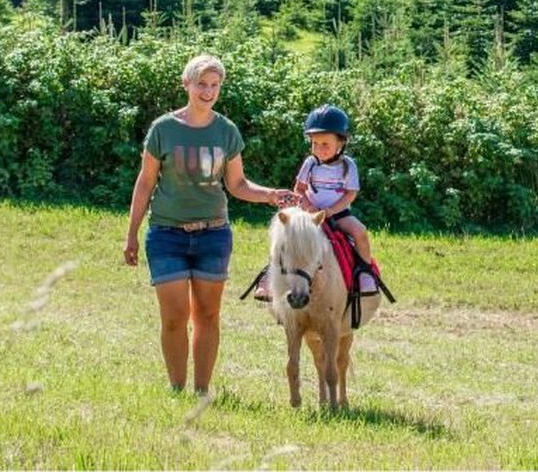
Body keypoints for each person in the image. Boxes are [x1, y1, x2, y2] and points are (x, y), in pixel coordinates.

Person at [123, 54, 297, 396]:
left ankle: (202, 390)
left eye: (215, 85)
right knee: (174, 318)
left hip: (213, 235)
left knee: (207, 315)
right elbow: (145, 183)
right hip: (166, 234)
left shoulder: (226, 131)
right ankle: (176, 389)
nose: (208, 91)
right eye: (201, 83)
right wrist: (131, 234)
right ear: (186, 84)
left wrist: (271, 195)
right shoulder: (163, 129)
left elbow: (237, 184)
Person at [254, 104, 373, 301]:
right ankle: (269, 277)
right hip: (308, 213)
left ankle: (365, 273)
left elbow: (350, 194)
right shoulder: (310, 163)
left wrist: (331, 211)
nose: (319, 149)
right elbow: (299, 189)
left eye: (325, 144)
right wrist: (309, 206)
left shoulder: (347, 165)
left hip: (337, 213)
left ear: (341, 143)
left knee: (360, 232)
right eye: (314, 144)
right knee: (283, 234)